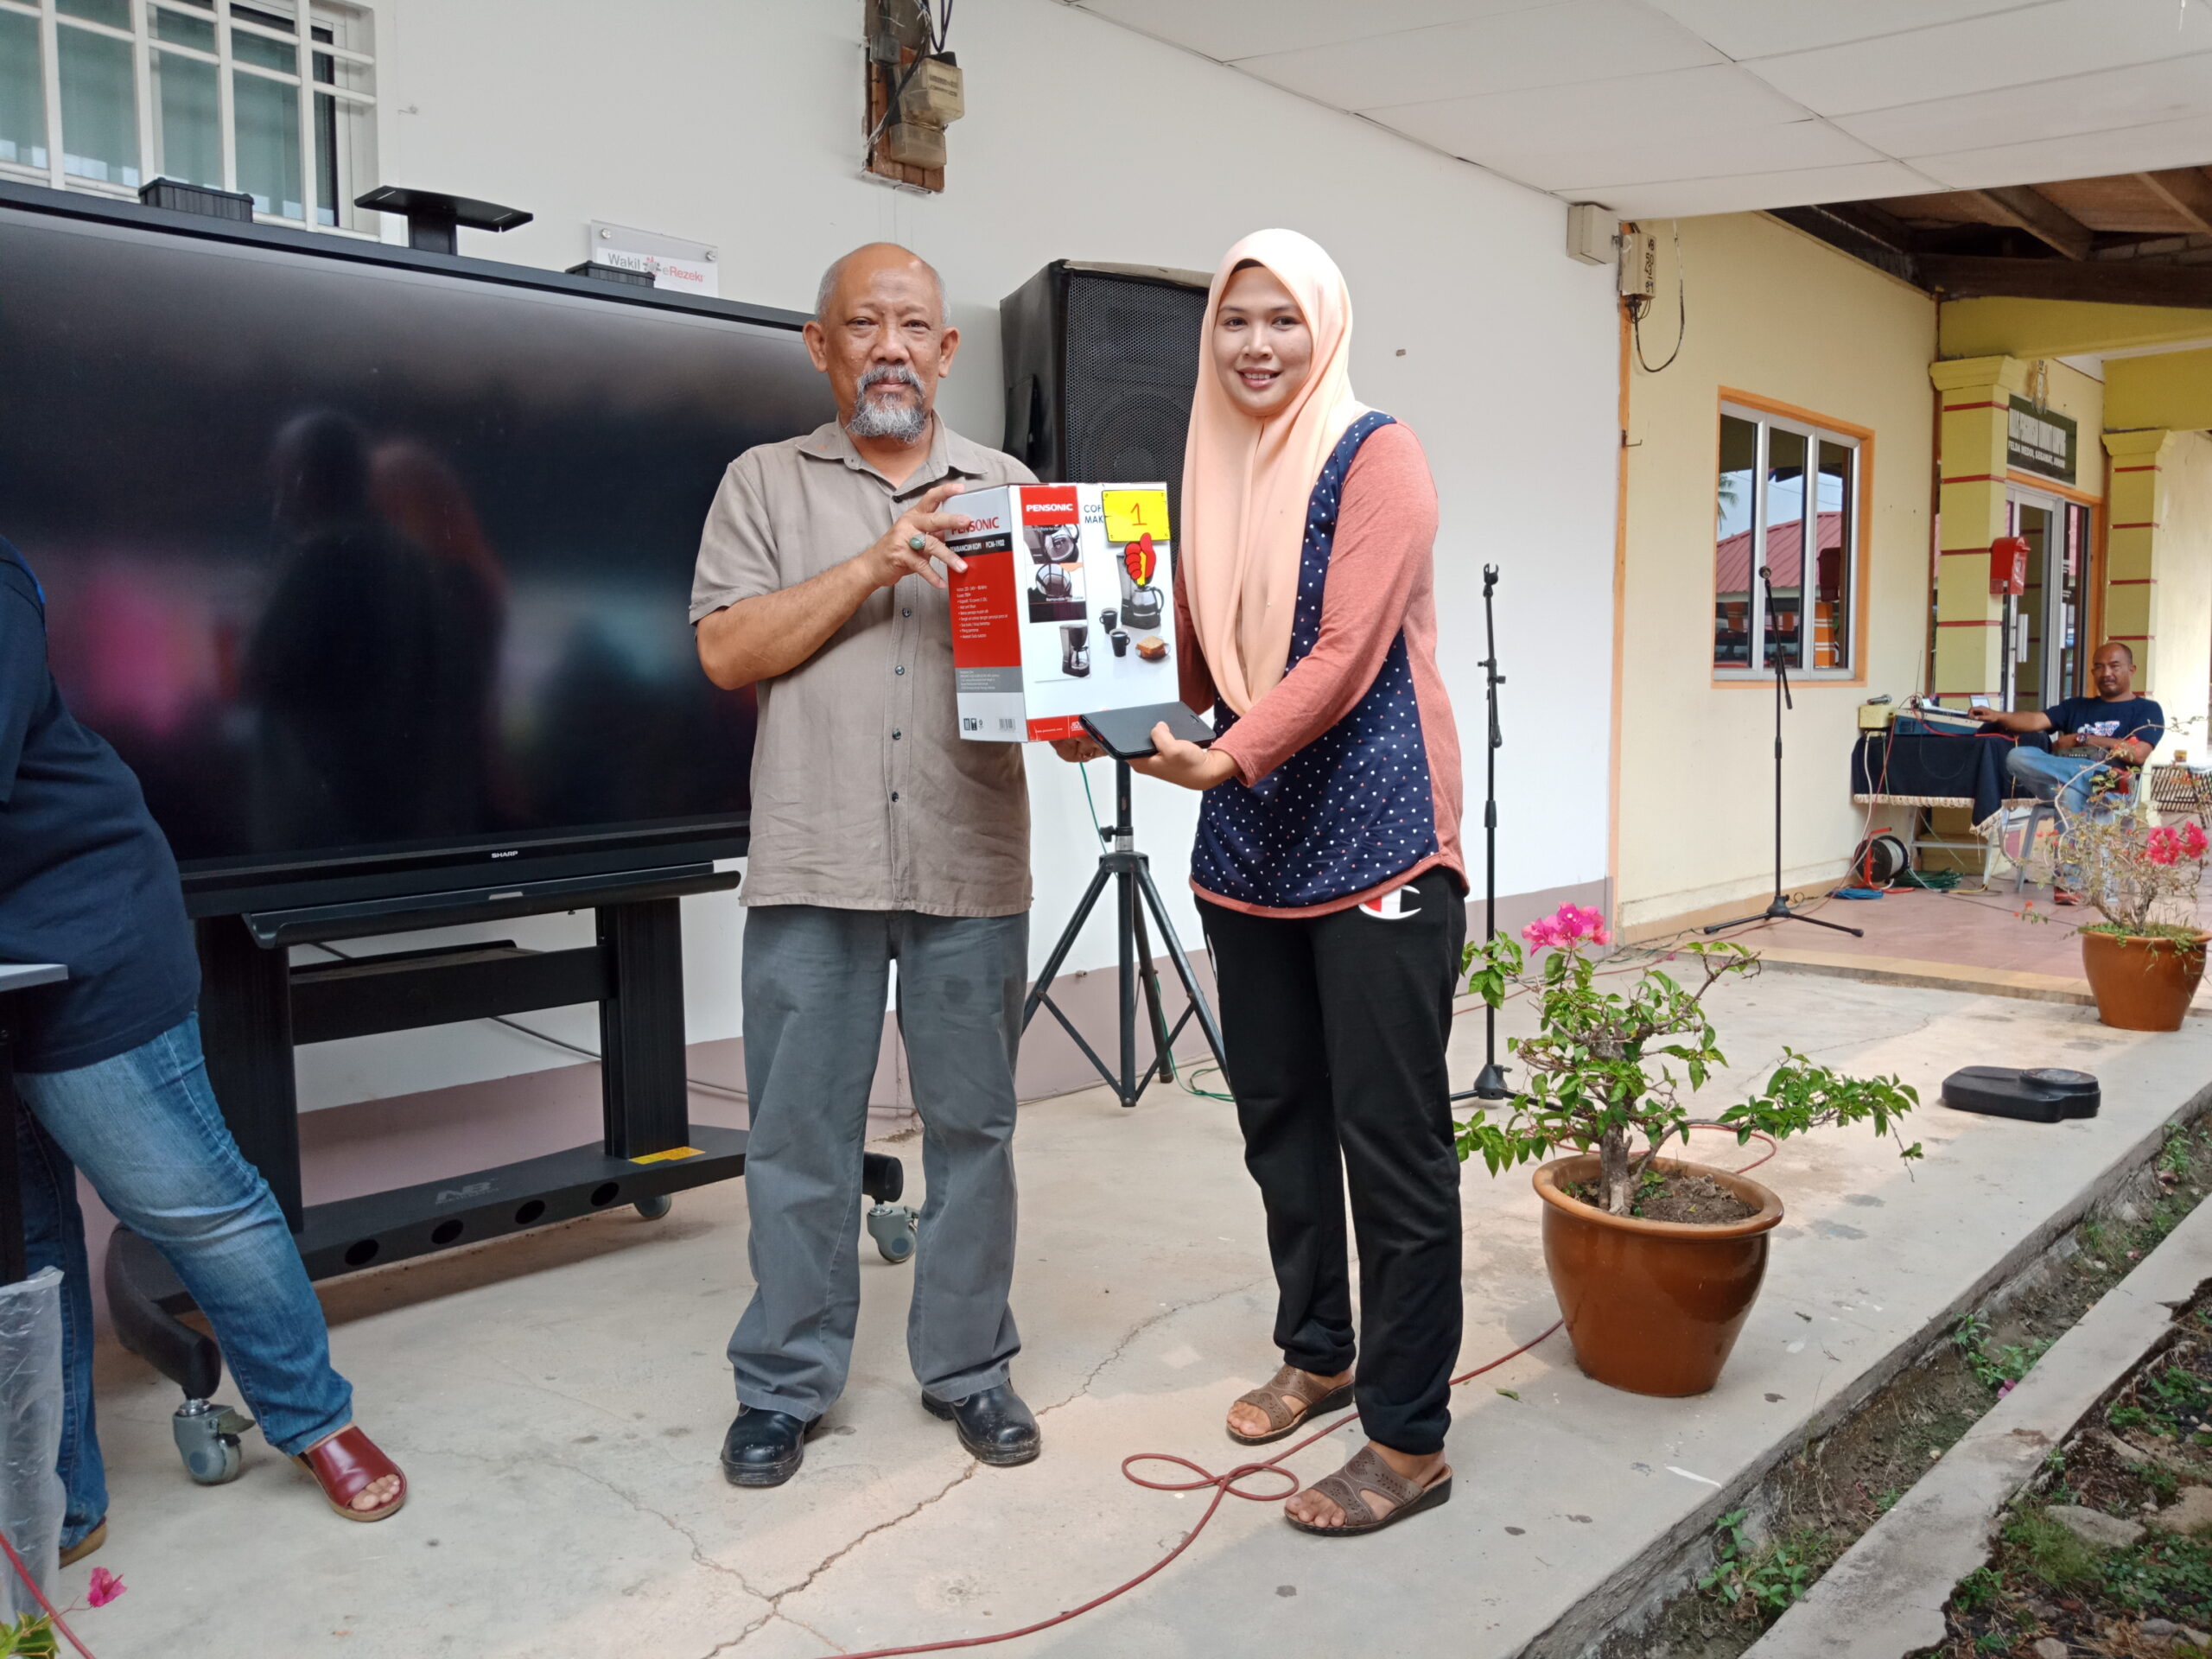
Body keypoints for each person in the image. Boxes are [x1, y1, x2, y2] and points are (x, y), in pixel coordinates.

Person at [1090, 229, 1467, 1536]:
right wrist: (1097, 702)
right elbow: (1196, 663)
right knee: (1281, 1125)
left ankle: (1409, 1440)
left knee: (1392, 1145)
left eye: (1282, 320)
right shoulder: (1212, 473)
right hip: (1252, 843)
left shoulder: (1377, 454)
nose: (1256, 345)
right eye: (1234, 321)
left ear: (1327, 327)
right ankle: (1319, 1351)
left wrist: (1224, 754)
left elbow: (1346, 650)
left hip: (1378, 837)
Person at [690, 244, 1041, 1488]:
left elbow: (1054, 673)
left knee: (975, 1130)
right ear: (820, 344)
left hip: (968, 856)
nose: (888, 347)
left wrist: (1104, 693)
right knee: (798, 1139)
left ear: (947, 351)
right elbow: (728, 652)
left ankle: (970, 1367)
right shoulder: (762, 483)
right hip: (813, 858)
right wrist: (873, 563)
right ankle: (783, 1385)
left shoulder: (1010, 491)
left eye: (912, 327)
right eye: (862, 324)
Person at [2, 537, 404, 1563]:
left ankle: (313, 1416)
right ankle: (56, 1501)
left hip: (85, 938)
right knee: (20, 1247)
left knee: (194, 1201)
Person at [1974, 642, 2164, 899]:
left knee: (2070, 793)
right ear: (2093, 672)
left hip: (2111, 789)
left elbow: (2138, 753)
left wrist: (2083, 739)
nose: (2106, 673)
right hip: (2058, 784)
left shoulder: (2147, 709)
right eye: (2099, 667)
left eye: (2114, 666)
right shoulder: (2076, 706)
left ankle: (2069, 882)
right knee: (2017, 756)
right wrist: (1997, 715)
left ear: (2132, 670)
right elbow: (2035, 720)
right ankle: (2075, 783)